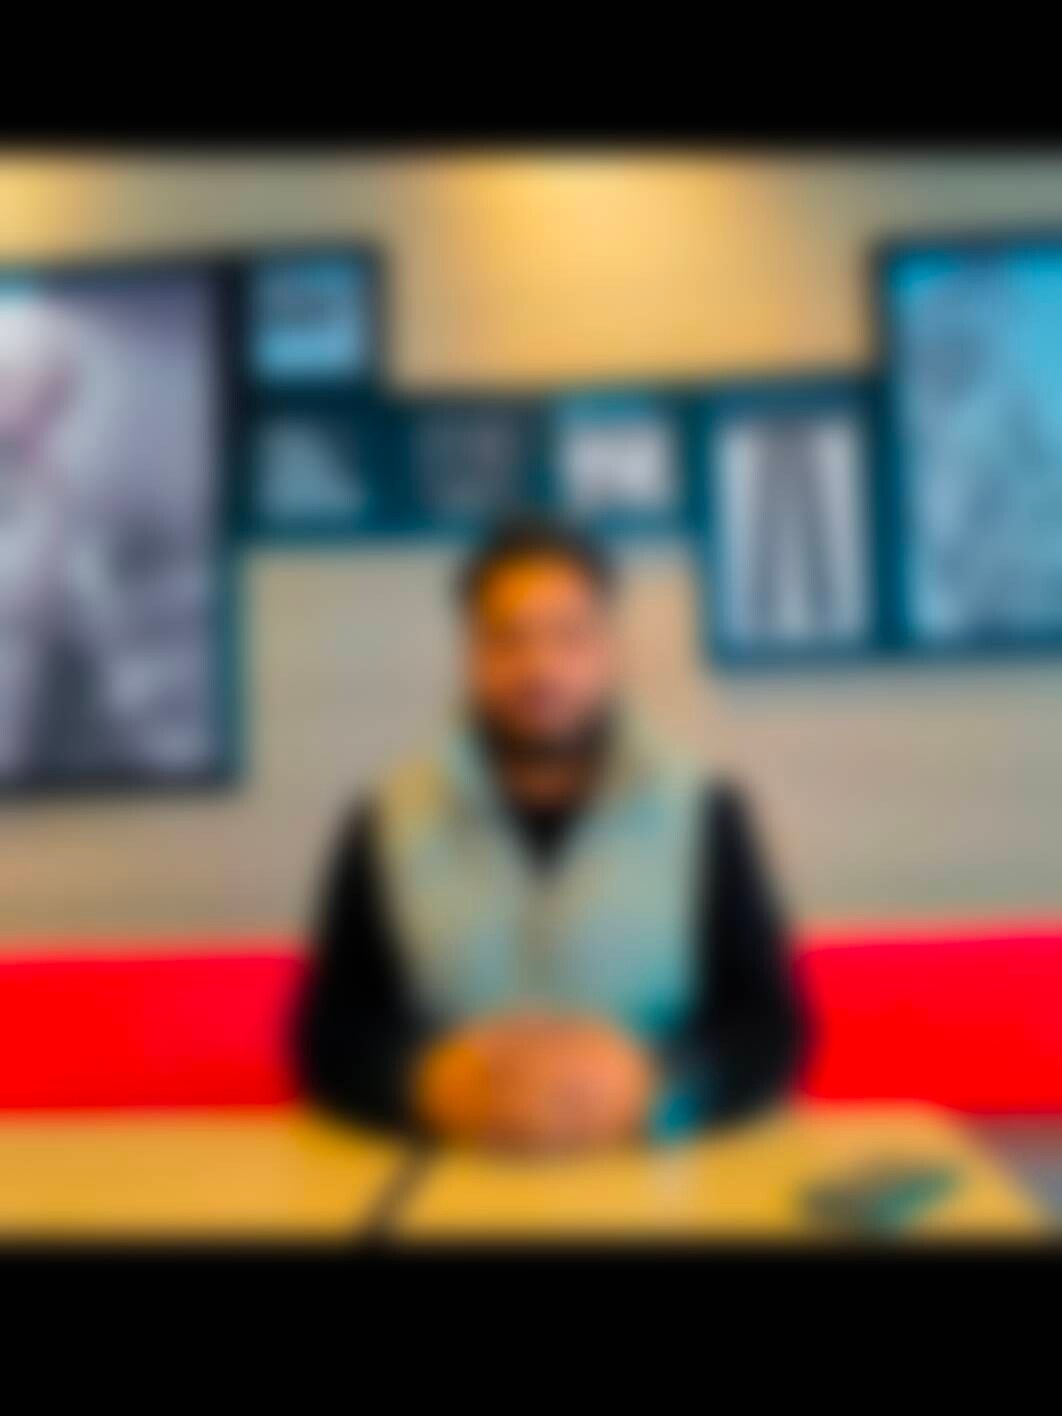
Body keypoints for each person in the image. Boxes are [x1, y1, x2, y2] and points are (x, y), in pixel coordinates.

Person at [296, 517, 805, 1150]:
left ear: (609, 650)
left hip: (657, 1178)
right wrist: (421, 1082)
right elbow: (329, 1035)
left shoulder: (704, 811)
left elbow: (770, 1029)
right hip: (450, 1175)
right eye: (507, 638)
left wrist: (659, 1083)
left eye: (569, 635)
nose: (540, 666)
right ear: (470, 654)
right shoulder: (384, 819)